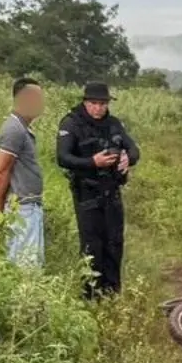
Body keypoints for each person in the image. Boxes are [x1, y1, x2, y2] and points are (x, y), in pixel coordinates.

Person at [56, 81, 141, 299]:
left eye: (102, 104)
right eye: (94, 103)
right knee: (92, 246)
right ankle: (90, 296)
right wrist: (93, 162)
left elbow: (133, 149)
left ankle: (112, 293)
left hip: (111, 191)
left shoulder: (113, 124)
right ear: (85, 102)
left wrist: (127, 158)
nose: (98, 108)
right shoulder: (71, 123)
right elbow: (63, 158)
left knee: (114, 242)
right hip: (87, 194)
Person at [0, 77, 46, 268]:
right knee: (25, 265)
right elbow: (1, 171)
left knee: (31, 262)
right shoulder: (14, 129)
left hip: (30, 206)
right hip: (22, 208)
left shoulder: (23, 129)